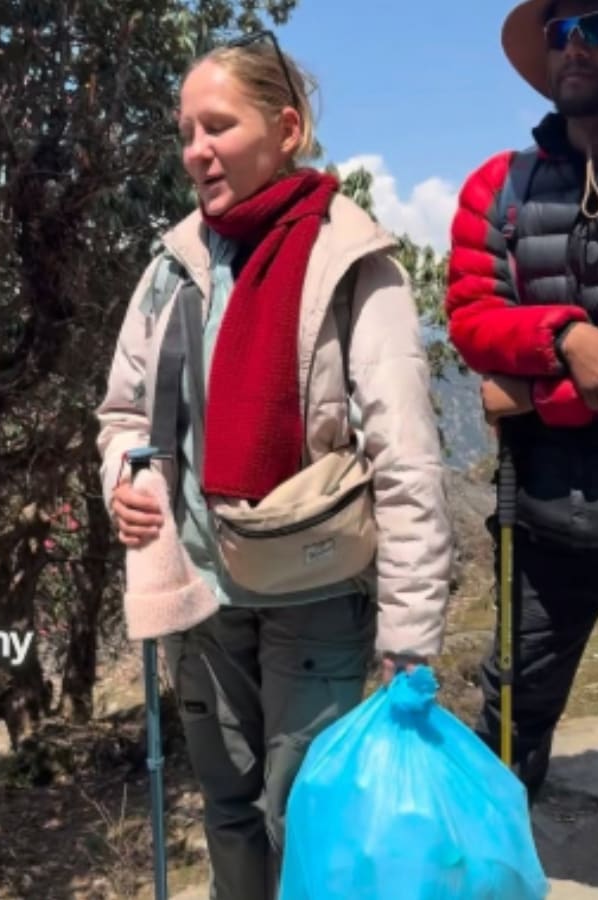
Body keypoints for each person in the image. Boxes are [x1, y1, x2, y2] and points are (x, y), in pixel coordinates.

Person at [95, 33, 451, 900]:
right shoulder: (173, 268)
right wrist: (123, 481)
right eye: (186, 131)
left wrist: (408, 639)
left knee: (305, 815)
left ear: (286, 129)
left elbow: (406, 457)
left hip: (317, 591)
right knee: (228, 811)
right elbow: (124, 414)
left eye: (218, 126)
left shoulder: (353, 264)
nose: (196, 150)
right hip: (201, 591)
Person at [445, 0, 598, 803]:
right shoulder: (499, 187)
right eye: (561, 32)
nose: (576, 47)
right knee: (510, 718)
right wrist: (570, 343)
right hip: (541, 516)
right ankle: (495, 859)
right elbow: (471, 320)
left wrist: (528, 388)